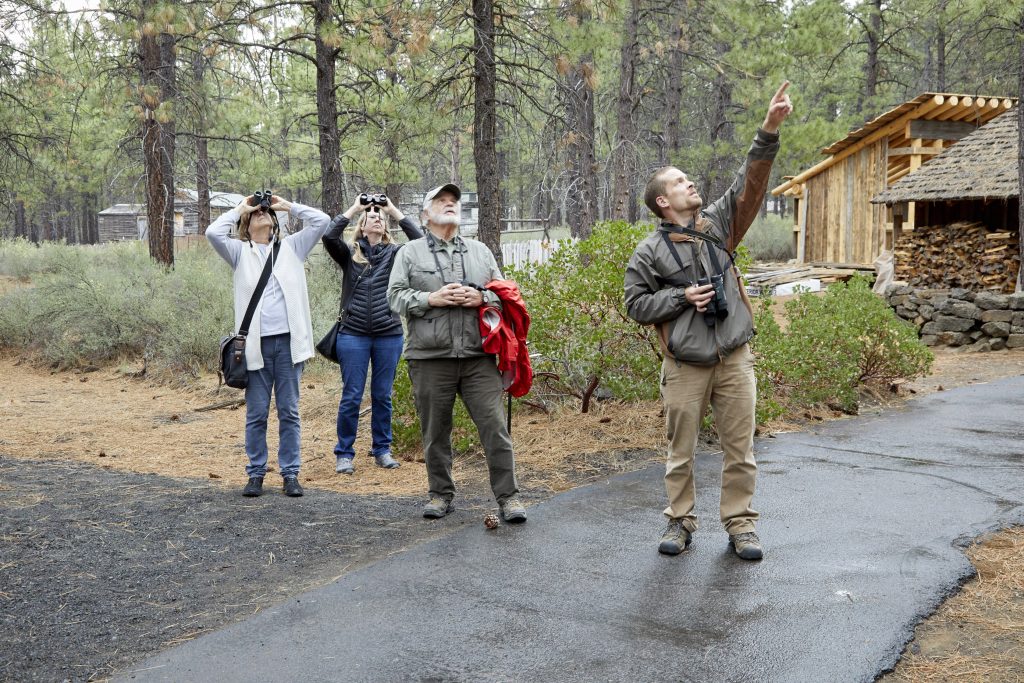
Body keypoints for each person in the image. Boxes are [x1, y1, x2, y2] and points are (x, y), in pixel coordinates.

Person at [624, 82, 793, 560]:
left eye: (687, 179)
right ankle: (680, 522)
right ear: (662, 202)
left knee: (741, 450)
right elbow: (635, 305)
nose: (689, 184)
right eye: (679, 182)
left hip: (734, 359)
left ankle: (741, 526)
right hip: (685, 366)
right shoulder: (649, 251)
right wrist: (681, 296)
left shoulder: (719, 226)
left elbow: (750, 183)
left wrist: (769, 130)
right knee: (682, 453)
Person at [387, 183, 527, 523]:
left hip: (479, 356)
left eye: (453, 202)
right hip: (430, 358)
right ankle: (440, 494)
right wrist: (428, 299)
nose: (450, 206)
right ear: (425, 215)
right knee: (435, 432)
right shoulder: (410, 253)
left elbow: (506, 294)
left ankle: (508, 498)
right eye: (441, 202)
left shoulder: (480, 251)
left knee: (495, 428)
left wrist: (483, 299)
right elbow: (394, 297)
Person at [207, 191, 331, 498]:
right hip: (255, 347)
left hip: (289, 345)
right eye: (255, 214)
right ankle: (256, 473)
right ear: (246, 226)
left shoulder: (292, 247)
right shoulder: (238, 252)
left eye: (265, 212)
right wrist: (242, 207)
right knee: (257, 413)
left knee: (289, 411)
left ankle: (290, 473)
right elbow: (213, 232)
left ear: (275, 221)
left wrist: (286, 205)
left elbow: (323, 221)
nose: (261, 213)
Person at [321, 194, 423, 475]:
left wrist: (393, 209)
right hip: (353, 334)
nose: (376, 217)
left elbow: (420, 242)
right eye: (371, 216)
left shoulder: (397, 254)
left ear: (386, 226)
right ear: (362, 227)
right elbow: (329, 237)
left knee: (382, 396)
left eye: (381, 217)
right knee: (352, 395)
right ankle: (344, 453)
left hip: (388, 334)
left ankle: (382, 450)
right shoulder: (350, 255)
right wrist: (356, 208)